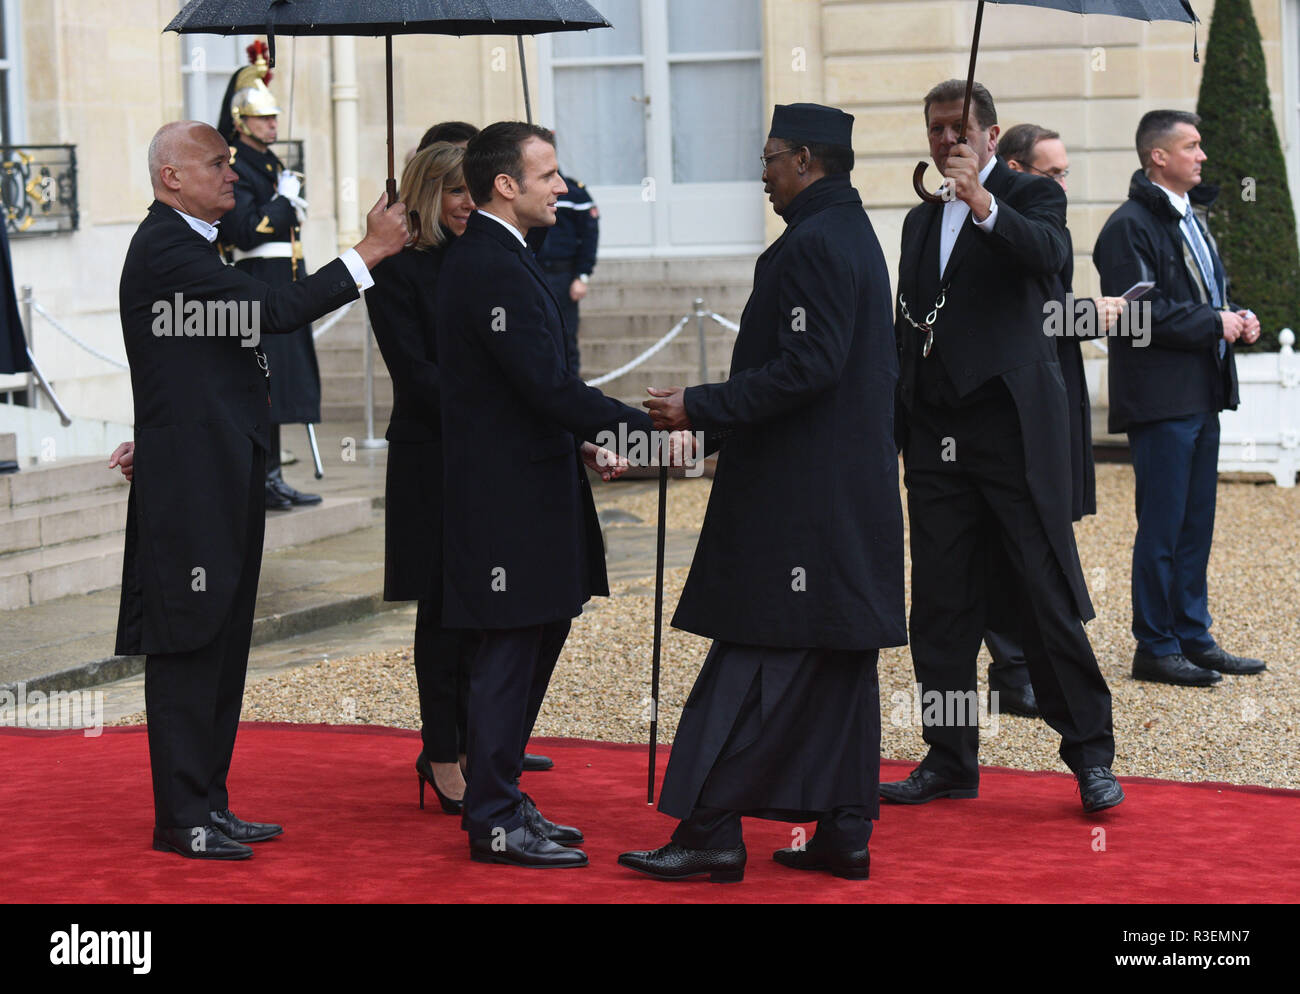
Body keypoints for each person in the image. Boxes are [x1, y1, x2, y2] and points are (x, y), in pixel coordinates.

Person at [618, 103, 906, 883]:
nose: (765, 174)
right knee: (839, 664)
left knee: (751, 664)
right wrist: (685, 436)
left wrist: (699, 405)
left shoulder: (813, 242)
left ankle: (710, 829)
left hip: (800, 509)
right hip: (843, 499)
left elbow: (809, 368)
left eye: (771, 158)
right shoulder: (848, 233)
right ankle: (845, 832)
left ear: (806, 159)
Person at [109, 121, 408, 860]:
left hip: (215, 467)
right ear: (172, 176)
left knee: (224, 640)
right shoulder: (167, 247)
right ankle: (184, 818)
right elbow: (271, 313)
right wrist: (368, 251)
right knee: (191, 645)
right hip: (191, 483)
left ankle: (210, 802)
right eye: (218, 164)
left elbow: (186, 363)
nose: (234, 176)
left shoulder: (190, 245)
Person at [434, 122, 686, 869]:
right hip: (505, 501)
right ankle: (493, 817)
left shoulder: (504, 256)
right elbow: (545, 384)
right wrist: (648, 430)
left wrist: (587, 440)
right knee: (511, 649)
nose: (562, 187)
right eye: (547, 174)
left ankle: (501, 797)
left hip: (529, 482)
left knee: (534, 639)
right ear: (505, 185)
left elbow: (520, 391)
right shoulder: (491, 264)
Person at [882, 80, 1122, 814]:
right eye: (935, 128)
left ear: (990, 136)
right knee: (943, 607)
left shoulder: (1032, 197)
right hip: (936, 435)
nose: (946, 140)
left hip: (1010, 431)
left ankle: (1089, 756)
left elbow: (1048, 259)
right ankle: (950, 757)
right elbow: (909, 320)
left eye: (959, 128)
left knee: (1043, 595)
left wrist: (984, 205)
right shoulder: (921, 222)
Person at [1093, 109, 1266, 686]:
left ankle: (1193, 636)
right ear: (1158, 157)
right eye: (1192, 146)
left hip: (1200, 393)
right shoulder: (1127, 226)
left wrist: (1236, 314)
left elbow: (1204, 292)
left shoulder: (1190, 216)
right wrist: (1213, 321)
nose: (1204, 155)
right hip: (1160, 399)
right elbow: (1136, 312)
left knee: (1195, 524)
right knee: (1162, 527)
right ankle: (1155, 646)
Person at [981, 124, 1125, 718]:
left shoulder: (1038, 215)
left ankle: (1021, 669)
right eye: (1053, 172)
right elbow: (1017, 315)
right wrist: (1087, 312)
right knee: (1012, 541)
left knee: (1042, 532)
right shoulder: (986, 219)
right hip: (1003, 407)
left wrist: (1084, 315)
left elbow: (1042, 305)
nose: (1062, 183)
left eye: (1066, 172)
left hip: (1051, 386)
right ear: (1014, 166)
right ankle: (1013, 669)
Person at [364, 143, 479, 815]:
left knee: (483, 613)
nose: (469, 203)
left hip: (486, 457)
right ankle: (440, 754)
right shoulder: (397, 271)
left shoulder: (485, 259)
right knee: (441, 612)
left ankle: (474, 742)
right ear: (428, 194)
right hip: (430, 456)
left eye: (474, 190)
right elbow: (416, 374)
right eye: (457, 192)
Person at [216, 43, 324, 510]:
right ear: (242, 121)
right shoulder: (238, 164)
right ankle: (262, 478)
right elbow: (244, 229)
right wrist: (282, 203)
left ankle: (274, 475)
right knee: (265, 382)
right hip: (259, 276)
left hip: (284, 279)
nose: (273, 124)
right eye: (263, 118)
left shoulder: (270, 163)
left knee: (281, 383)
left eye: (274, 117)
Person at [534, 144, 598, 372]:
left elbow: (589, 237)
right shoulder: (529, 191)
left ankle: (571, 389)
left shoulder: (574, 192)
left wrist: (582, 276)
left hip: (564, 275)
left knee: (566, 336)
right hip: (535, 271)